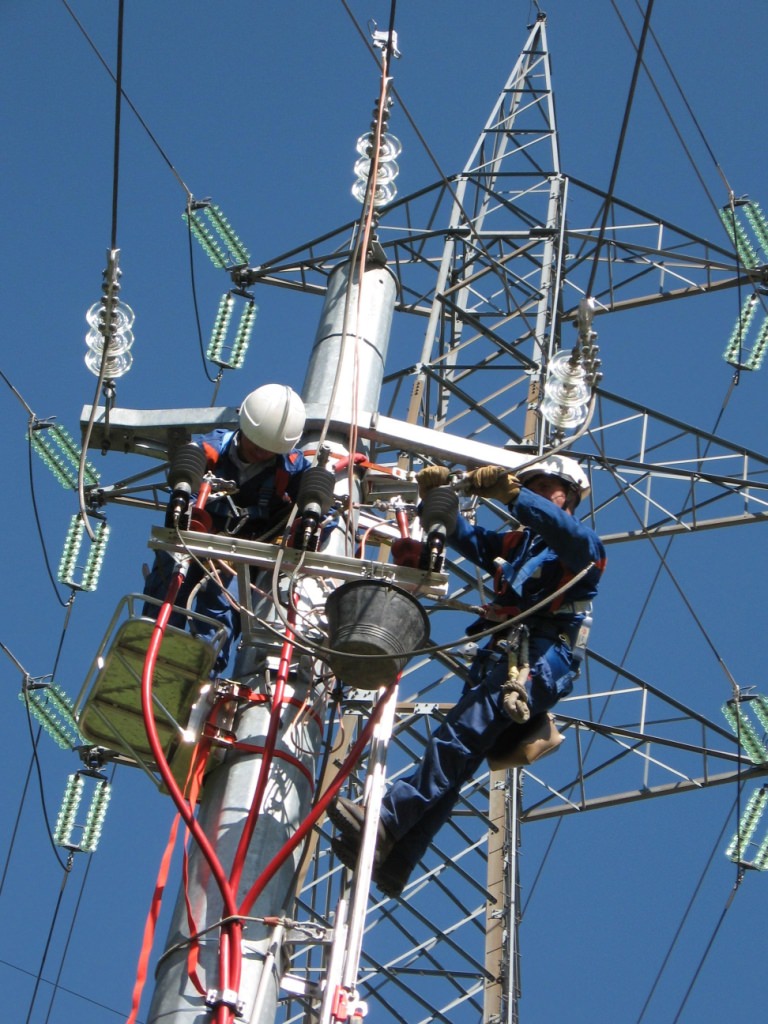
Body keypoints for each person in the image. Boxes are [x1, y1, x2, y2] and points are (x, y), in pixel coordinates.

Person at [328, 455, 606, 896]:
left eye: (544, 486)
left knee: (455, 739)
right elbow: (471, 539)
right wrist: (437, 504)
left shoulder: (581, 547)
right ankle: (397, 856)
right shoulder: (521, 545)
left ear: (569, 495)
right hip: (506, 657)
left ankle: (387, 819)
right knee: (457, 759)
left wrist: (514, 494)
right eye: (529, 485)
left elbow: (562, 531)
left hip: (535, 662)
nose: (534, 492)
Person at [142, 383, 309, 675]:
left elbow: (320, 504)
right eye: (256, 445)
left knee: (221, 604)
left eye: (268, 451)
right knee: (172, 580)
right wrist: (184, 498)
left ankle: (201, 671)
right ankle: (150, 658)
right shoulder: (210, 448)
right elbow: (189, 469)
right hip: (196, 538)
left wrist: (305, 525)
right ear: (243, 429)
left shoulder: (291, 467)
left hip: (240, 554)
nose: (260, 453)